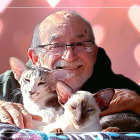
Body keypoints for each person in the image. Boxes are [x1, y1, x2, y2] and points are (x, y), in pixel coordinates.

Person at [0, 10, 140, 129]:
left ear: (93, 54)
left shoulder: (118, 90)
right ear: (36, 58)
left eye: (80, 44)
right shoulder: (11, 82)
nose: (70, 56)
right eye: (56, 46)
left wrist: (137, 103)